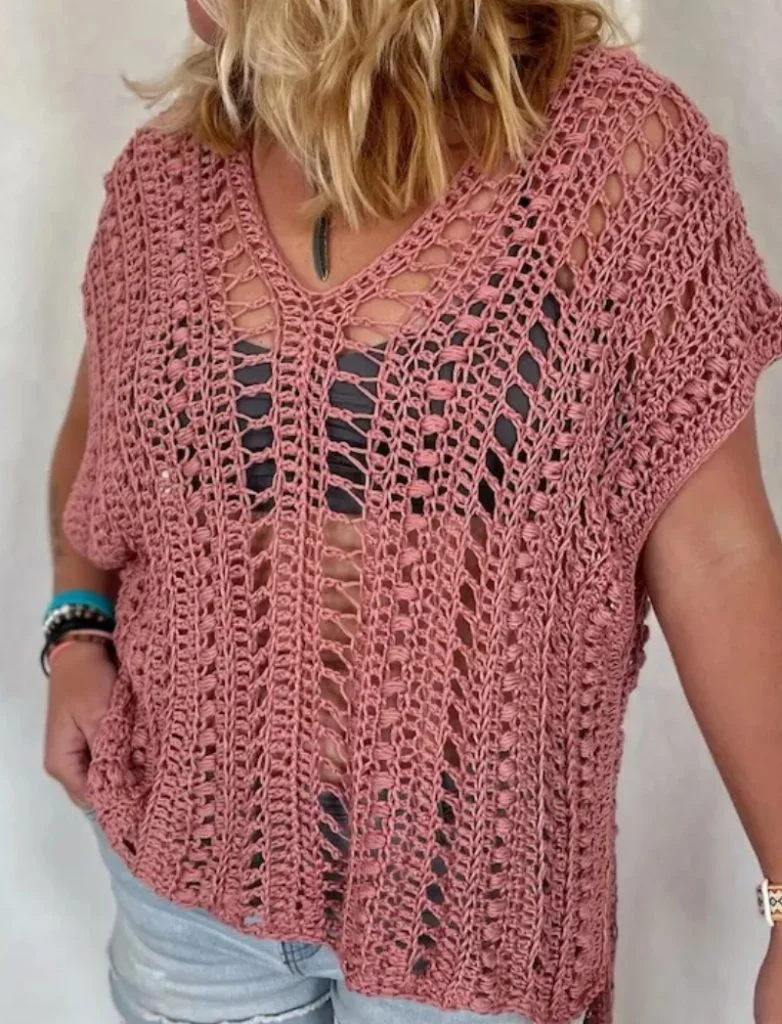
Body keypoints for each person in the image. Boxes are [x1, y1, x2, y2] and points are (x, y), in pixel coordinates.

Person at [44, 2, 782, 1023]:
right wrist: (74, 627)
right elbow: (101, 431)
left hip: (474, 909)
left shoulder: (613, 159)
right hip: (191, 879)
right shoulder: (170, 174)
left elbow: (716, 551)